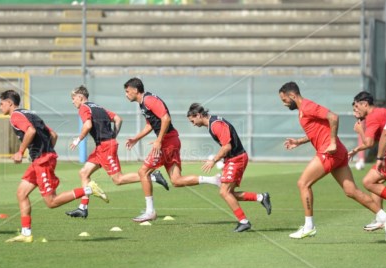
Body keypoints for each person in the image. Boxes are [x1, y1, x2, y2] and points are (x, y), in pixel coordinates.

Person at [278, 82, 386, 239]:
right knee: (351, 191)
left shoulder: (308, 106)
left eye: (284, 100)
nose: (284, 104)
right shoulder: (303, 110)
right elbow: (316, 132)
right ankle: (385, 218)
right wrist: (298, 141)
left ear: (292, 95)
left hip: (330, 151)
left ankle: (309, 226)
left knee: (303, 183)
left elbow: (333, 117)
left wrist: (332, 142)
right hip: (337, 152)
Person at [0, 90, 107, 243]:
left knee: (51, 202)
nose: (0, 107)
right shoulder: (29, 113)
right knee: (22, 193)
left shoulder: (16, 116)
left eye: (1, 104)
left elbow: (31, 130)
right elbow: (53, 135)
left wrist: (20, 152)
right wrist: (45, 151)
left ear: (10, 103)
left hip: (43, 160)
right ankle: (26, 233)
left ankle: (89, 189)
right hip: (41, 159)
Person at [123, 77, 221, 223]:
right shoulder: (143, 104)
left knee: (143, 172)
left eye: (127, 91)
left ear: (136, 90)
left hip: (167, 142)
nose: (126, 94)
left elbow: (166, 118)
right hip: (171, 140)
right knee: (176, 180)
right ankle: (214, 180)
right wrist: (136, 138)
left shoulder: (149, 100)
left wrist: (159, 140)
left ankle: (150, 211)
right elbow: (150, 125)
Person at [66, 85, 170, 219]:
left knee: (118, 179)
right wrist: (113, 135)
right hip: (102, 147)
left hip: (105, 147)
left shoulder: (83, 108)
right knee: (83, 172)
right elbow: (118, 119)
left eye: (73, 98)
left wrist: (77, 140)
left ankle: (153, 176)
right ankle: (83, 208)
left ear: (80, 97)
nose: (72, 101)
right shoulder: (98, 107)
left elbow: (87, 125)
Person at [187, 103, 271, 232]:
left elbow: (227, 147)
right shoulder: (213, 123)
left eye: (193, 120)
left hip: (237, 159)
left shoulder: (216, 125)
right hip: (232, 159)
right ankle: (261, 197)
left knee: (224, 192)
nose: (193, 124)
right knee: (229, 194)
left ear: (198, 115)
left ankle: (244, 222)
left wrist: (214, 160)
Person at [348, 92, 386, 233]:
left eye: (356, 107)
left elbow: (368, 143)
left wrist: (360, 131)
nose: (355, 110)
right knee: (374, 182)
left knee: (368, 182)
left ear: (365, 104)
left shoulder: (372, 117)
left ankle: (383, 218)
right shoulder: (383, 112)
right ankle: (380, 218)